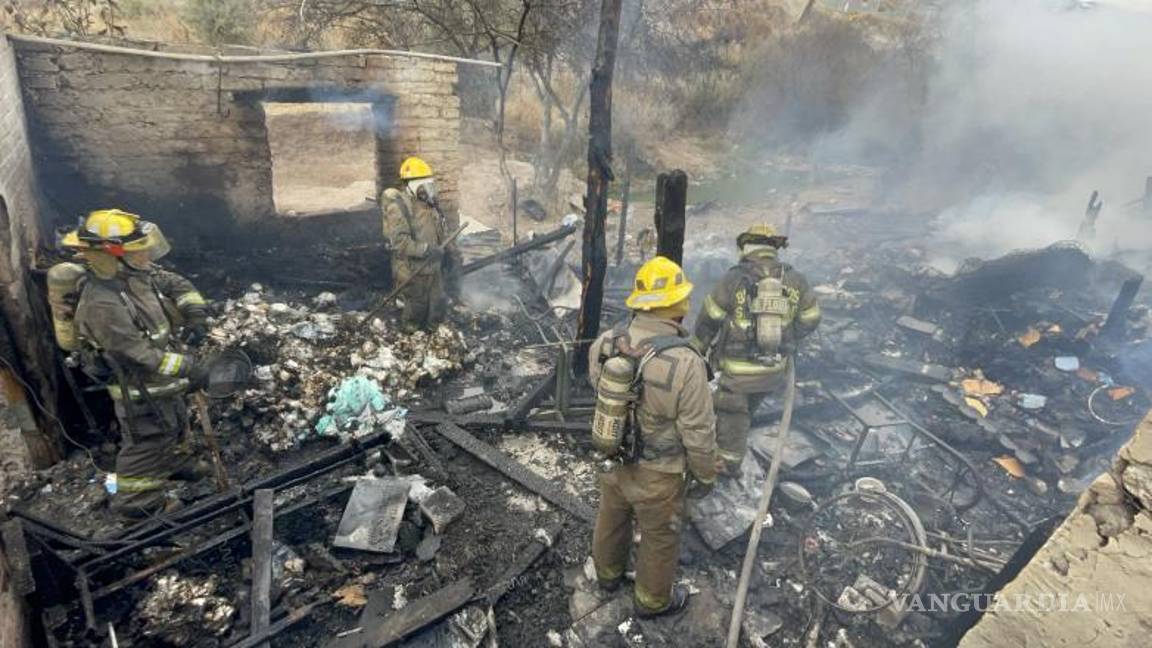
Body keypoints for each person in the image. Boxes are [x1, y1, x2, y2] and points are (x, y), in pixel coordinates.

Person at [588, 256, 719, 618]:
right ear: (677, 305)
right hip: (659, 475)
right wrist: (706, 475)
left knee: (611, 516)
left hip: (612, 456)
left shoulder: (606, 342)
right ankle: (651, 601)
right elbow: (698, 432)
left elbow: (597, 388)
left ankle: (607, 576)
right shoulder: (687, 362)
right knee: (660, 536)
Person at [60, 209, 210, 518]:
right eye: (138, 252)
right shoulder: (102, 304)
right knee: (148, 439)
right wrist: (188, 368)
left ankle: (173, 463)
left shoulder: (134, 275)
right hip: (138, 388)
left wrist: (194, 312)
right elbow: (137, 354)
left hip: (159, 380)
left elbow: (174, 282)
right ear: (110, 257)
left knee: (174, 424)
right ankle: (136, 503)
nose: (146, 257)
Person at [691, 224, 821, 473]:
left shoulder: (734, 278)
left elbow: (710, 318)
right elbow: (812, 317)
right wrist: (789, 337)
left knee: (732, 414)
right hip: (774, 370)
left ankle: (726, 466)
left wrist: (697, 351)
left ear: (746, 247)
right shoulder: (794, 279)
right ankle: (732, 437)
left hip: (736, 374)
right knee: (746, 410)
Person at [380, 157, 461, 331]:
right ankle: (411, 335)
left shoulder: (430, 205)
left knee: (437, 304)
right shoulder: (399, 208)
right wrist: (426, 250)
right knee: (416, 307)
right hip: (412, 269)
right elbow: (400, 243)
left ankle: (433, 335)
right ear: (411, 185)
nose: (428, 191)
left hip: (433, 267)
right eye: (423, 186)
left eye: (429, 185)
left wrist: (452, 252)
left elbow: (442, 232)